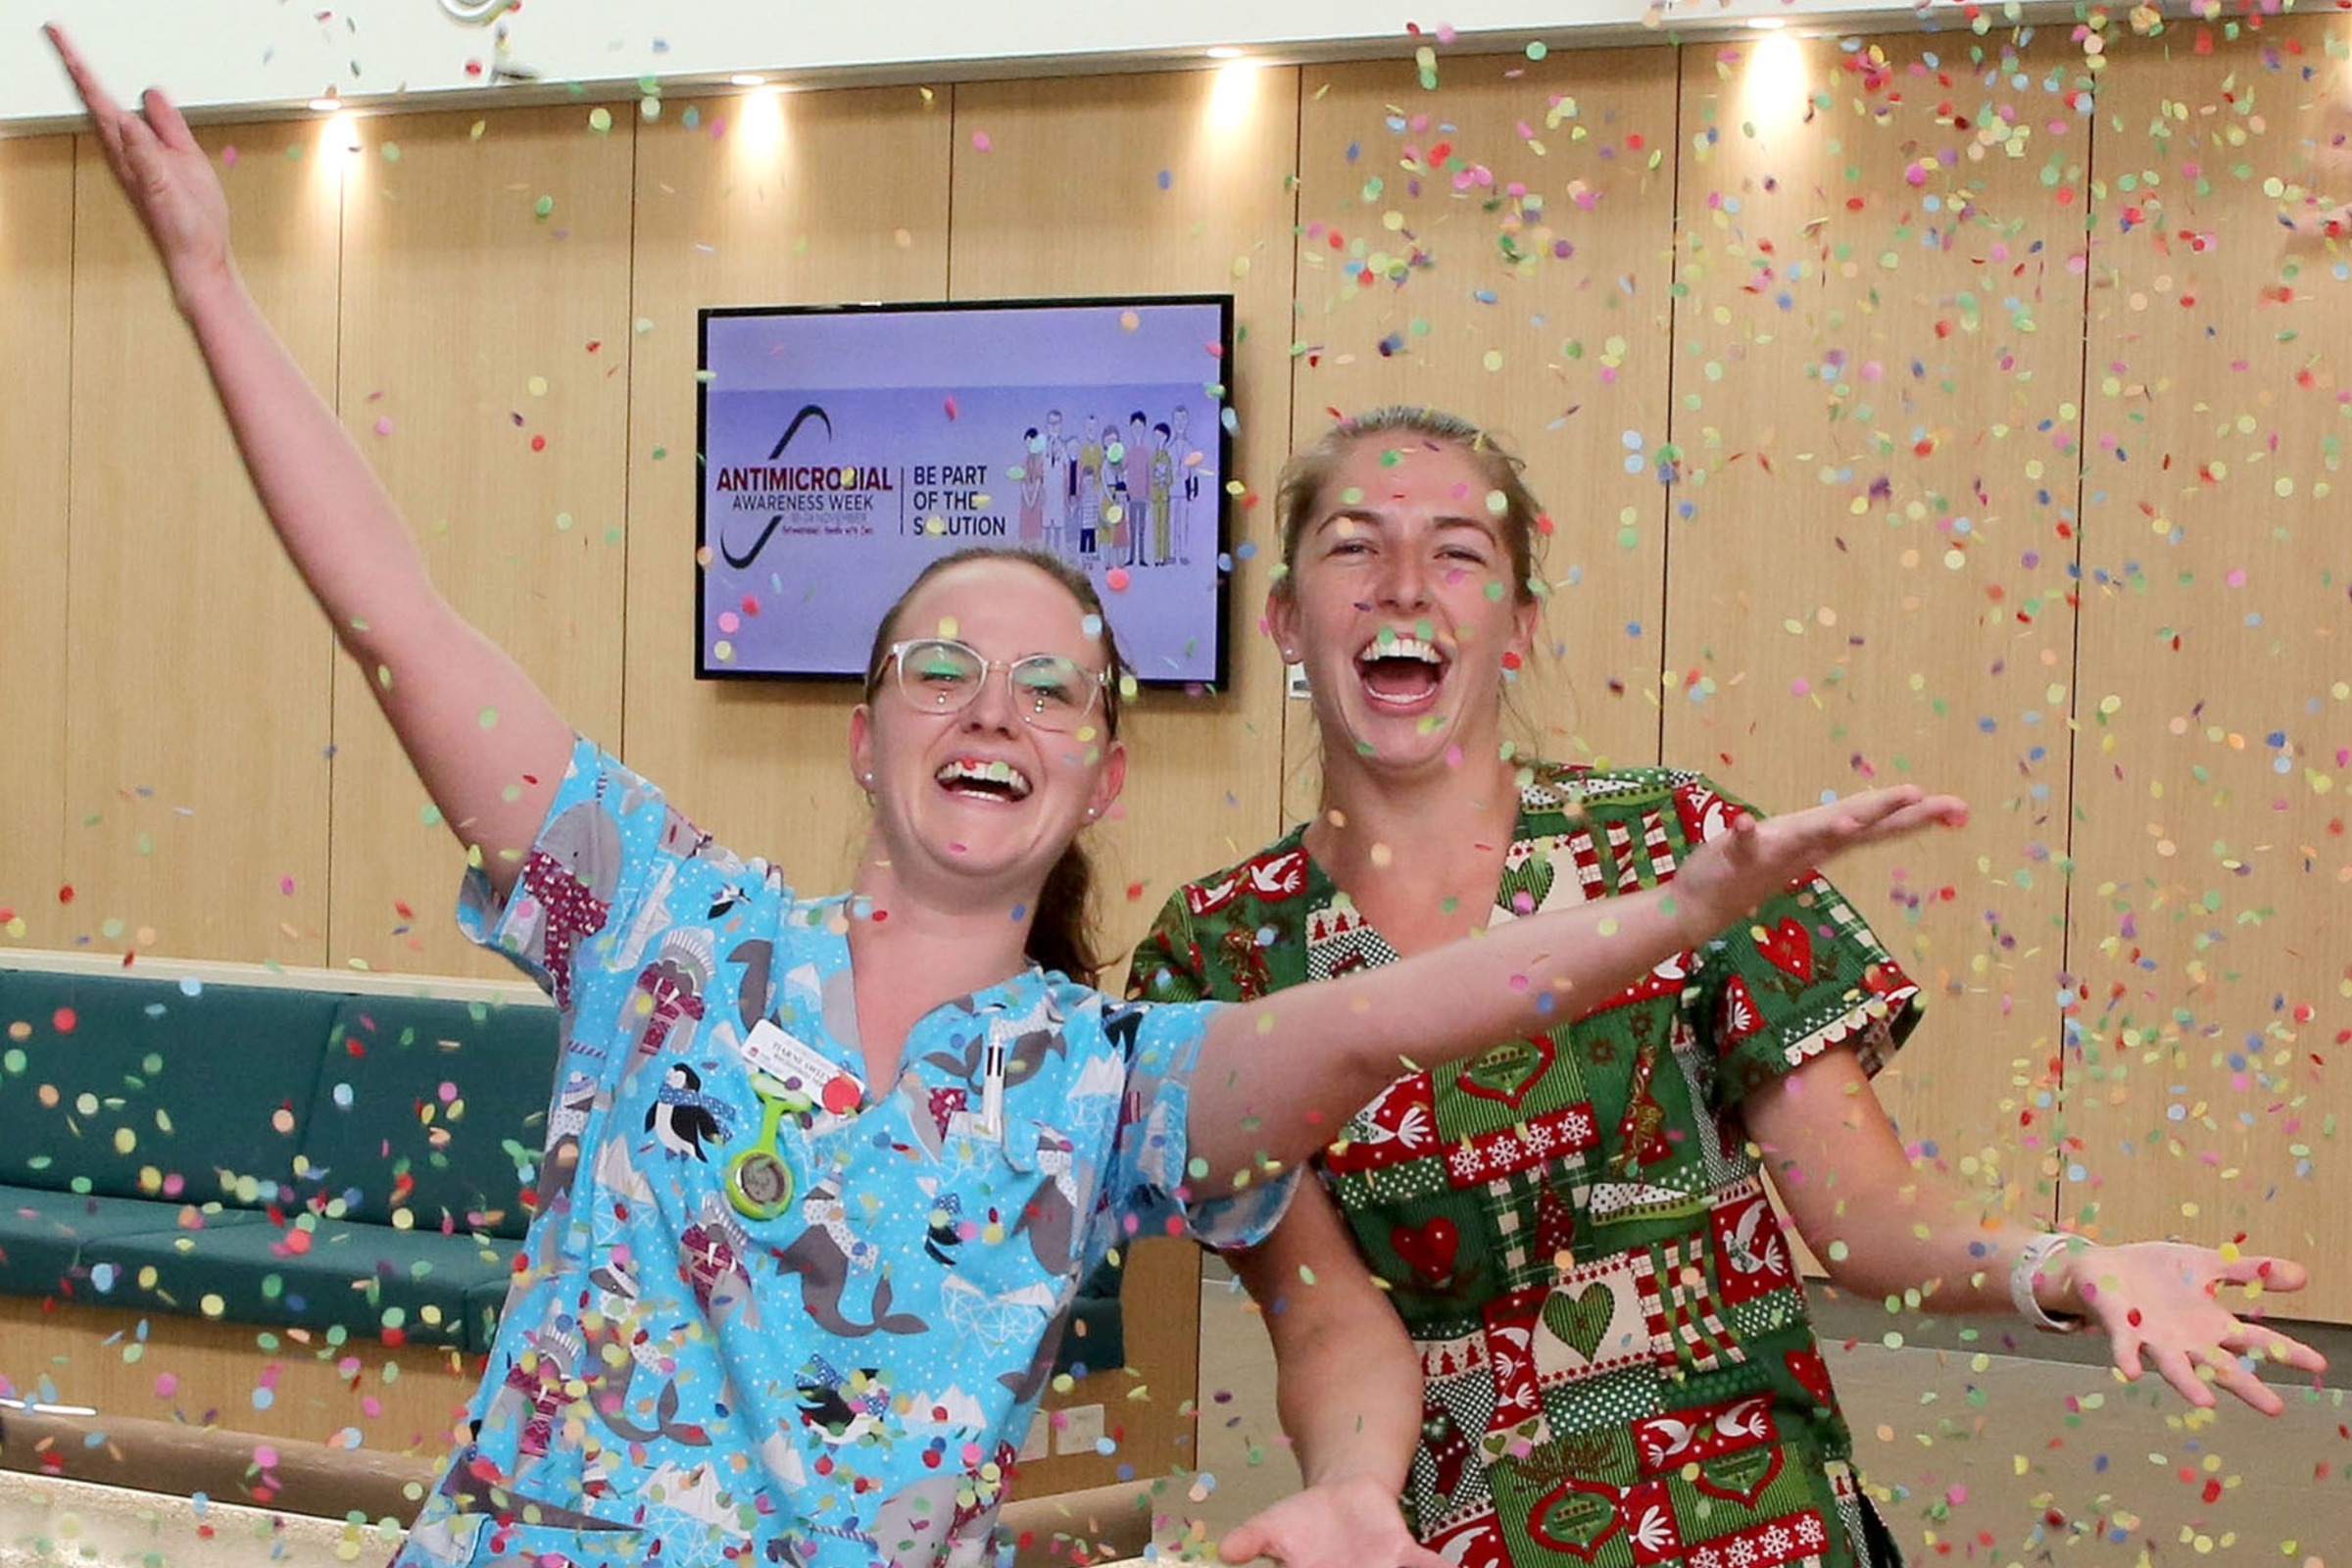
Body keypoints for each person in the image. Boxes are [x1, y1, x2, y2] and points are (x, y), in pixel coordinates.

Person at [44, 36, 1970, 1568]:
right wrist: (214, 279)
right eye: (943, 669)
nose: (995, 705)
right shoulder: (657, 916)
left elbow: (1384, 1012)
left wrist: (1675, 910)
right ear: (862, 736)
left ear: (1100, 773)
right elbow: (394, 611)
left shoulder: (1108, 1077)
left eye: (1053, 680)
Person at [1130, 407, 2328, 1568]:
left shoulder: (1680, 851)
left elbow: (1863, 1214)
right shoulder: (1221, 954)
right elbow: (1328, 1318)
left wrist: (2063, 1264)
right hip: (1443, 1537)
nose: (1402, 585)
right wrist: (1349, 1497)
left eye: (1457, 552)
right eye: (1354, 545)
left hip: (1746, 1517)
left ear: (1519, 623)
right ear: (1287, 618)